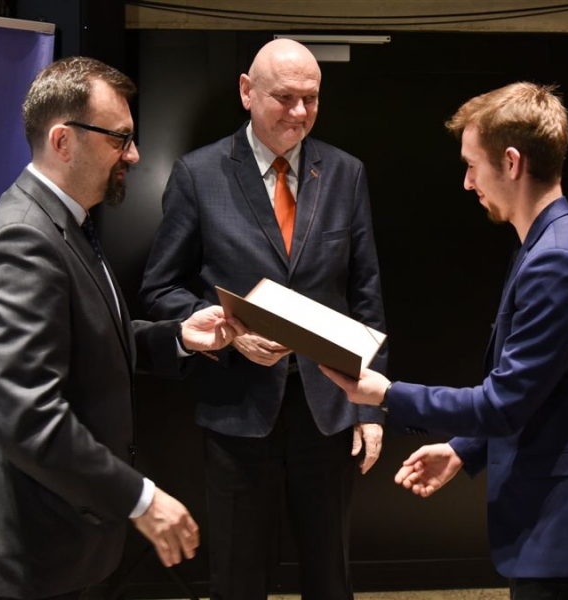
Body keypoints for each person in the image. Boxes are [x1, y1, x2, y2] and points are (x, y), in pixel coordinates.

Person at [320, 82, 568, 600]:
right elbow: (536, 394)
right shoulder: (547, 246)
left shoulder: (557, 260)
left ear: (512, 162)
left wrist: (385, 394)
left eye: (472, 165)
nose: (468, 181)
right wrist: (463, 450)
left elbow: (503, 403)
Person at [0, 56, 239, 600]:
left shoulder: (64, 222)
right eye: (119, 138)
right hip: (21, 550)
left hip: (57, 536)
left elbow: (87, 340)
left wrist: (176, 337)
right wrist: (143, 499)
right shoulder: (23, 241)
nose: (134, 154)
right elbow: (30, 417)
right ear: (63, 141)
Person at [139, 38, 387, 599]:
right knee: (237, 577)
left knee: (330, 577)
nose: (299, 112)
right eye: (284, 97)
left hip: (328, 408)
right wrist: (226, 334)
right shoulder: (198, 173)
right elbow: (159, 288)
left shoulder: (345, 173)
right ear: (247, 91)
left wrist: (370, 406)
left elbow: (366, 294)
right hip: (237, 408)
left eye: (311, 99)